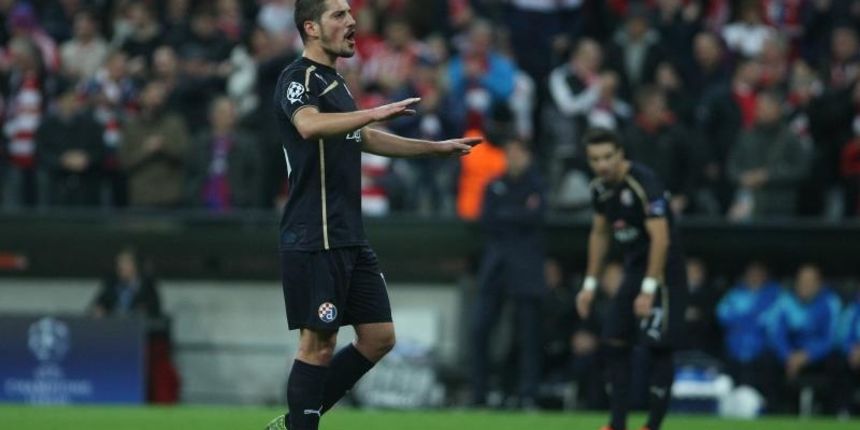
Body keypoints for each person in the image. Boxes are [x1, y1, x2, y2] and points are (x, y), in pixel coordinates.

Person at [265, 1, 480, 429]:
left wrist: (432, 150)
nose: (351, 22)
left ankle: (294, 424)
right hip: (316, 230)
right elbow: (308, 125)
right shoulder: (297, 78)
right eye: (339, 15)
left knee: (380, 338)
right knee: (318, 345)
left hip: (348, 232)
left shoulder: (336, 82)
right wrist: (373, 111)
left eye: (350, 13)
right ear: (311, 27)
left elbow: (360, 136)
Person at [575, 127, 688, 430]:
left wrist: (649, 289)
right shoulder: (599, 188)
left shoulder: (644, 183)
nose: (602, 165)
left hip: (664, 272)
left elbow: (661, 239)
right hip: (634, 268)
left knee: (657, 346)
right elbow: (599, 233)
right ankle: (617, 423)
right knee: (613, 340)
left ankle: (652, 425)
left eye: (608, 157)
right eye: (595, 159)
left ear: (621, 154)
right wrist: (589, 284)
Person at [470, 137, 546, 409]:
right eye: (509, 152)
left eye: (518, 152)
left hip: (526, 267)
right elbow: (486, 219)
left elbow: (536, 217)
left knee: (528, 335)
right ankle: (478, 394)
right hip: (496, 267)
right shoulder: (494, 184)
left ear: (528, 156)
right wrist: (518, 213)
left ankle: (528, 394)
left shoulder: (537, 184)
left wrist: (507, 214)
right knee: (480, 329)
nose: (513, 158)